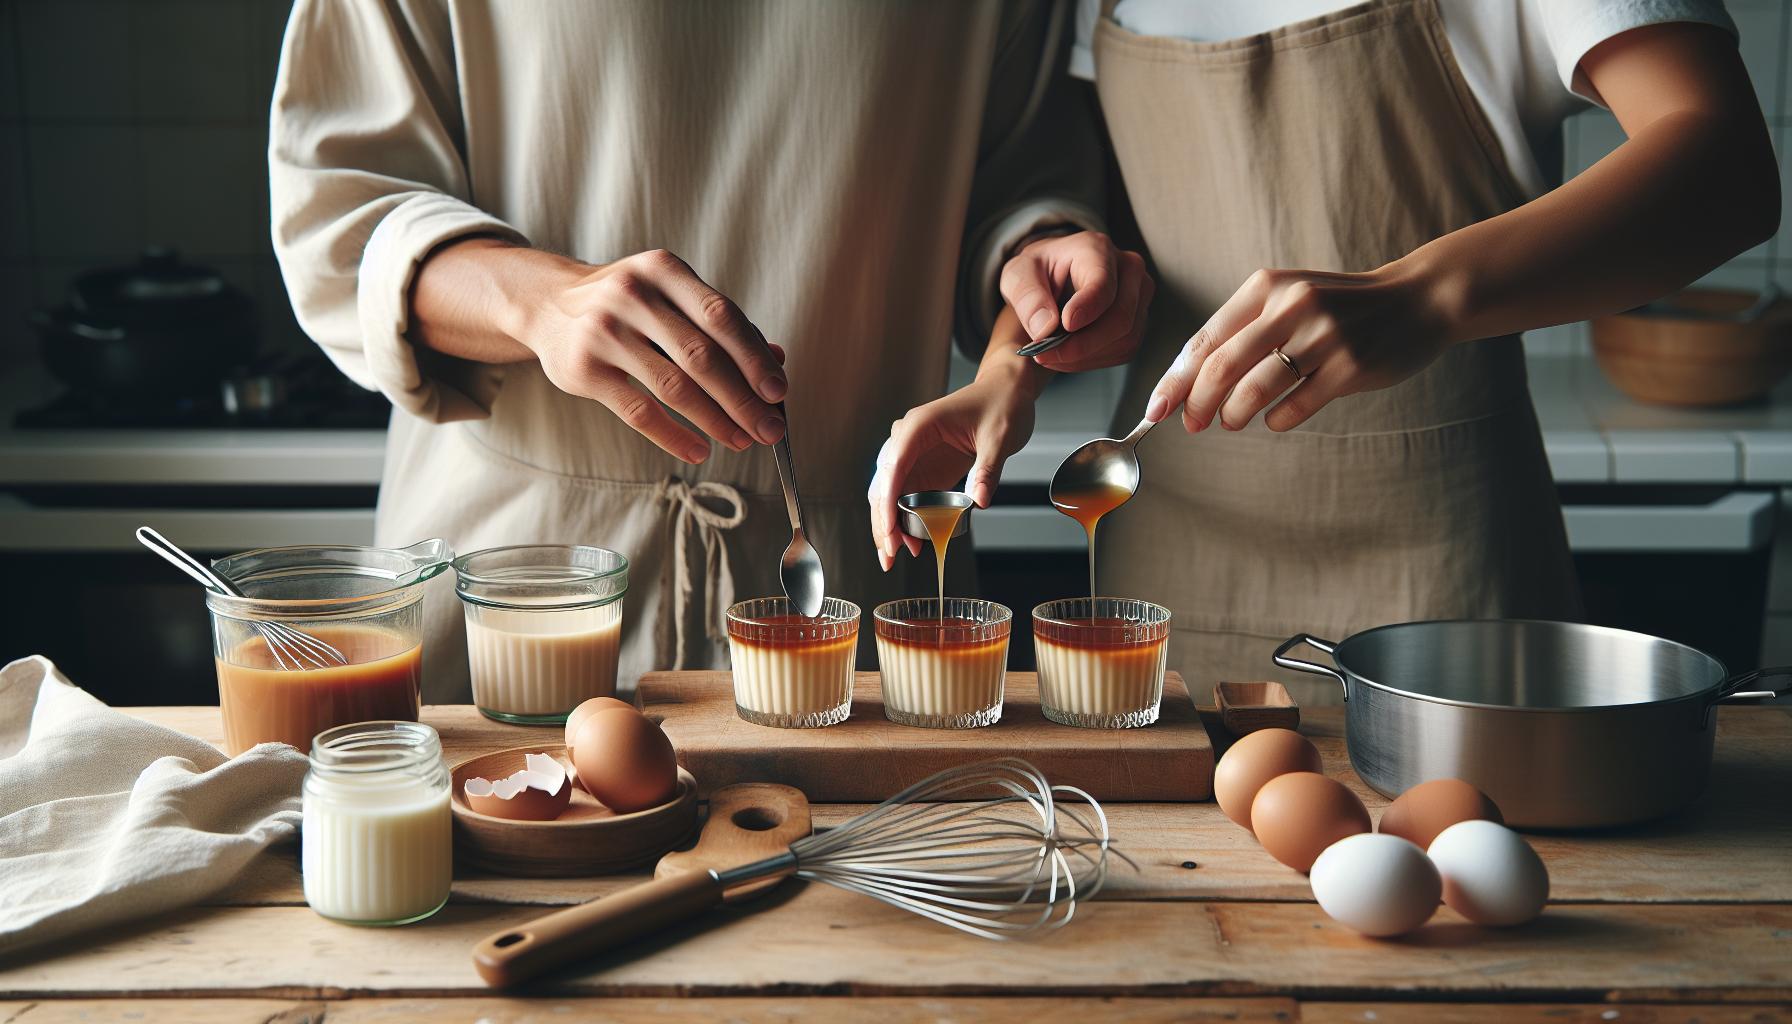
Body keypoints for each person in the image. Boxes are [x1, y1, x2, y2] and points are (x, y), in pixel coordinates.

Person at [872, 0, 1778, 700]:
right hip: (1168, 557)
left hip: (1442, 572)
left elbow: (1726, 163)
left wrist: (1426, 293)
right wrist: (1009, 367)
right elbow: (1086, 230)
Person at [267, 1, 1156, 700]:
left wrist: (1028, 325)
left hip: (862, 584)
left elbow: (1022, 183)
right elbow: (337, 220)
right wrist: (544, 303)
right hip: (518, 584)